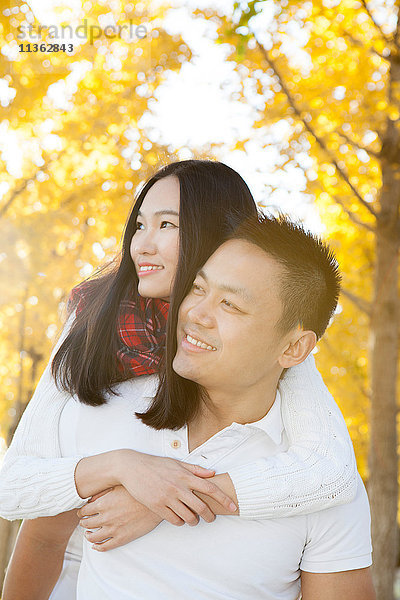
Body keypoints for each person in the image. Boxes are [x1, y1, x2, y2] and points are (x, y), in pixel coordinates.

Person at [0, 160, 357, 599]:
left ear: (218, 239)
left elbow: (330, 471)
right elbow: (18, 490)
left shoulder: (277, 353)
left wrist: (162, 500)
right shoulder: (95, 321)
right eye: (140, 225)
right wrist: (122, 466)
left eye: (167, 225)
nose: (142, 245)